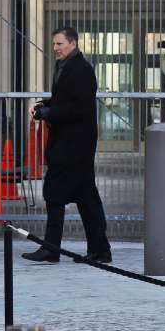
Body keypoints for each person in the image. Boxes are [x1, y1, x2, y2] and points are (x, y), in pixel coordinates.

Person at [22, 27, 112, 264]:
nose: (55, 49)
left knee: (55, 194)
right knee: (85, 198)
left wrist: (49, 112)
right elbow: (68, 100)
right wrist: (48, 104)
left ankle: (52, 249)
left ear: (73, 43)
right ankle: (99, 250)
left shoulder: (81, 70)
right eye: (54, 44)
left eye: (59, 44)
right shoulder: (66, 67)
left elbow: (79, 108)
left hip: (73, 146)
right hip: (71, 145)